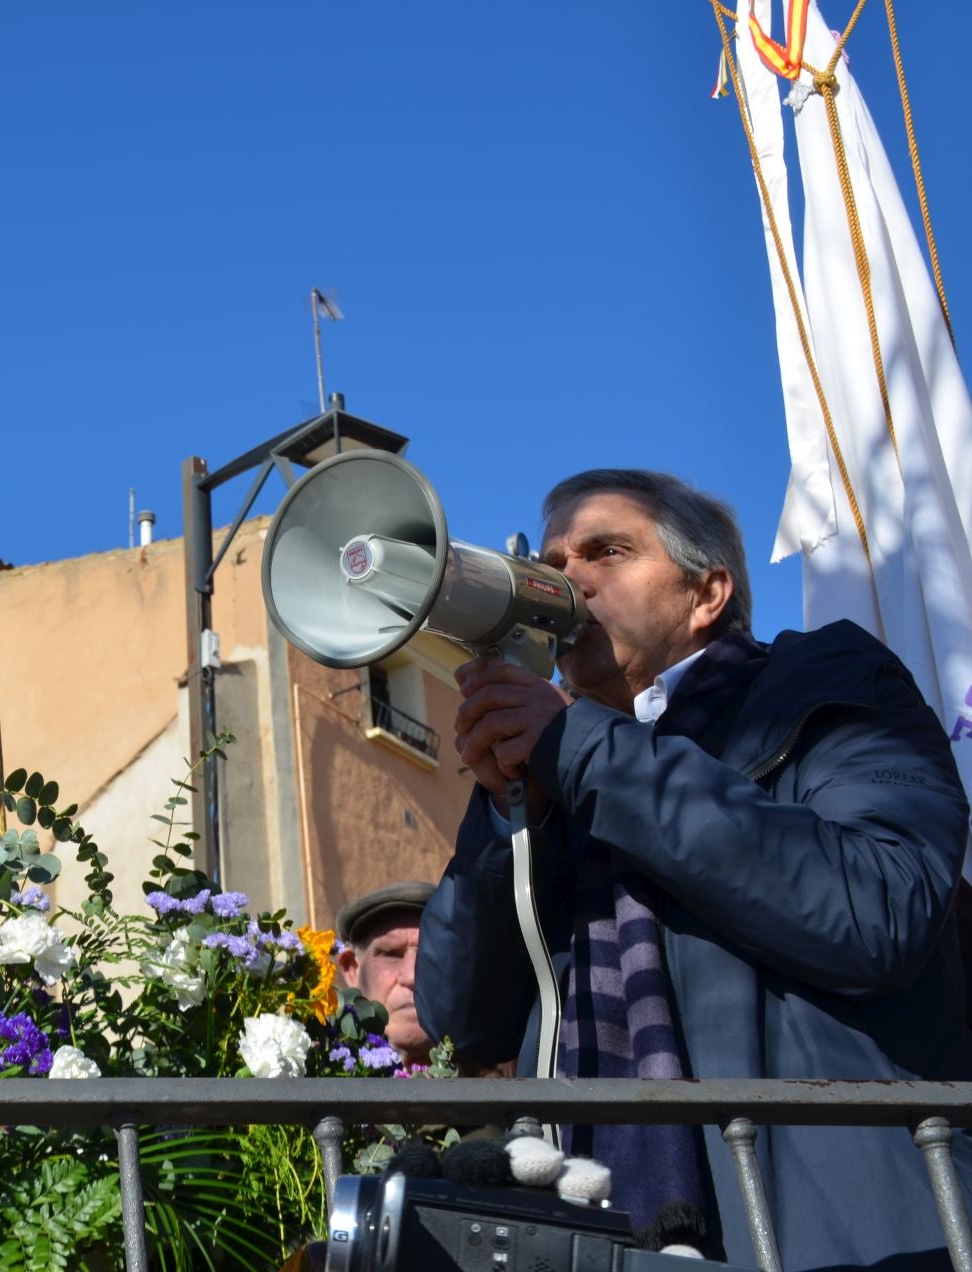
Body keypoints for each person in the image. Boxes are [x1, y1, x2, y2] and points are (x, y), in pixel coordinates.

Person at [416, 469, 972, 1270]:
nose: (565, 579)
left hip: (847, 1234)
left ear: (707, 592)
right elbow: (461, 1015)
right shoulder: (560, 772)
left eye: (606, 550)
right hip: (602, 1234)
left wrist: (580, 750)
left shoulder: (826, 681)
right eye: (552, 560)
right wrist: (510, 810)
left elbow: (876, 910)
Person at [333, 881, 435, 1065]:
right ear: (352, 969)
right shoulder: (315, 1077)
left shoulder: (500, 1080)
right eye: (391, 955)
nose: (412, 977)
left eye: (431, 954)